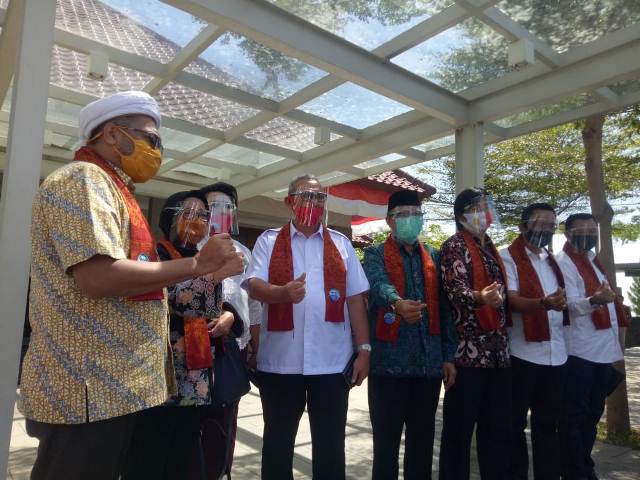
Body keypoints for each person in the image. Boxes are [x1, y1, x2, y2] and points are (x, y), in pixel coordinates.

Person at [19, 91, 242, 480]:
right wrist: (197, 265)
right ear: (111, 134)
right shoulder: (83, 179)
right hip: (86, 389)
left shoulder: (112, 189)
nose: (156, 152)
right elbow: (99, 276)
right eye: (151, 139)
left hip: (112, 389)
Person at [244, 174, 371, 480]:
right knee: (277, 445)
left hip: (331, 363)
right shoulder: (269, 241)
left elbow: (355, 299)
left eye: (319, 197)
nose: (313, 203)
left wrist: (364, 349)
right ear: (290, 201)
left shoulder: (340, 243)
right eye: (306, 196)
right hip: (280, 363)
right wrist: (282, 293)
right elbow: (254, 285)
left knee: (330, 446)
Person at [124, 189, 246, 479]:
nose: (197, 221)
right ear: (170, 218)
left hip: (196, 376)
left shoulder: (203, 256)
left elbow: (209, 307)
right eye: (189, 213)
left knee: (184, 451)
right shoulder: (154, 253)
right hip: (161, 373)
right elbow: (174, 299)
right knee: (150, 452)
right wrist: (216, 275)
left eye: (204, 215)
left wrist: (228, 313)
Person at [363, 190, 457, 480]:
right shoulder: (375, 254)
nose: (411, 219)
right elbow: (378, 284)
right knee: (386, 447)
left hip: (427, 367)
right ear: (389, 220)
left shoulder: (434, 256)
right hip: (387, 367)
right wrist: (397, 303)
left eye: (416, 214)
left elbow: (444, 309)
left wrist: (448, 356)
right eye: (404, 214)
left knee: (422, 445)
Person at [438, 188, 511, 480]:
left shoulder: (490, 246)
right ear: (461, 216)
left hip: (498, 353)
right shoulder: (454, 245)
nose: (484, 213)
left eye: (486, 207)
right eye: (477, 208)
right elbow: (454, 291)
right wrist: (481, 297)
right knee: (459, 433)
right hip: (467, 355)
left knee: (495, 431)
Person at [556, 213, 631, 480]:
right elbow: (569, 304)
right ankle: (575, 471)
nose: (588, 234)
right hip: (579, 351)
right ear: (568, 233)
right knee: (574, 416)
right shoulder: (563, 263)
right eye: (582, 230)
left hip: (602, 350)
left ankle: (583, 466)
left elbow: (606, 299)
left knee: (592, 414)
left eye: (592, 230)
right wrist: (595, 300)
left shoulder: (593, 260)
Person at [198, 181, 263, 478]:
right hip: (194, 348)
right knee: (194, 424)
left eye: (227, 207)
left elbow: (253, 304)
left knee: (225, 422)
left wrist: (255, 344)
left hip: (233, 348)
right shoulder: (192, 247)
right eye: (214, 206)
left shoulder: (243, 253)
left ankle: (220, 471)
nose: (220, 213)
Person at [499, 203, 568, 480]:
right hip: (523, 355)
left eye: (551, 226)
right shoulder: (508, 257)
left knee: (548, 425)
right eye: (540, 224)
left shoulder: (551, 260)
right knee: (514, 425)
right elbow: (511, 300)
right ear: (523, 226)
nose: (546, 230)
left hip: (556, 354)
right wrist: (543, 303)